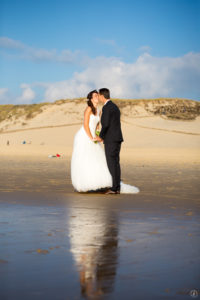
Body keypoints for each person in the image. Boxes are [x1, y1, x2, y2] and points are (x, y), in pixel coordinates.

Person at [70, 89, 139, 194]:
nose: (97, 97)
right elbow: (85, 125)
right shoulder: (88, 108)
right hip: (86, 135)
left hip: (96, 137)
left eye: (98, 95)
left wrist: (98, 134)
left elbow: (99, 125)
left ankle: (106, 184)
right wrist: (91, 137)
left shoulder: (99, 110)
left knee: (97, 159)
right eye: (95, 96)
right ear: (91, 98)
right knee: (86, 159)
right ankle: (86, 183)